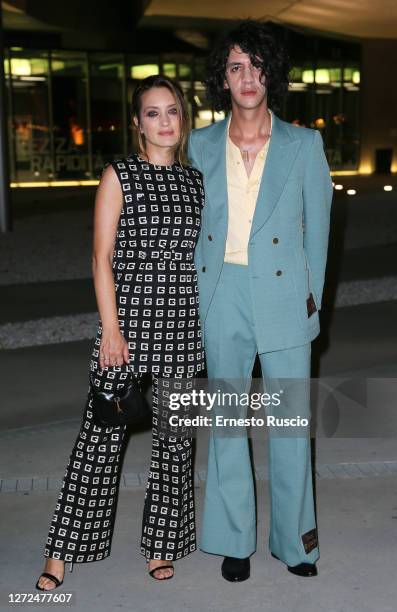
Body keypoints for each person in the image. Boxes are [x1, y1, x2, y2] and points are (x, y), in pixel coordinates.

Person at [36, 75, 205, 589]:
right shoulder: (120, 174)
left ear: (184, 117)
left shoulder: (197, 181)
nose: (164, 121)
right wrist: (111, 330)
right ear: (137, 123)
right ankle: (61, 552)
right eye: (152, 113)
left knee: (175, 444)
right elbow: (101, 258)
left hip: (183, 328)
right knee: (99, 440)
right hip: (127, 328)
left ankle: (162, 544)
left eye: (172, 110)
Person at [188, 20, 333, 581]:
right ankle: (233, 539)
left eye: (257, 65)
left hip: (282, 298)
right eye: (235, 66)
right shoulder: (200, 144)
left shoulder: (303, 143)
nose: (248, 77)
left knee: (291, 425)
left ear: (273, 73)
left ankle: (297, 543)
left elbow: (319, 234)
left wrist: (310, 302)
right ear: (222, 79)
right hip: (223, 294)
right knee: (227, 422)